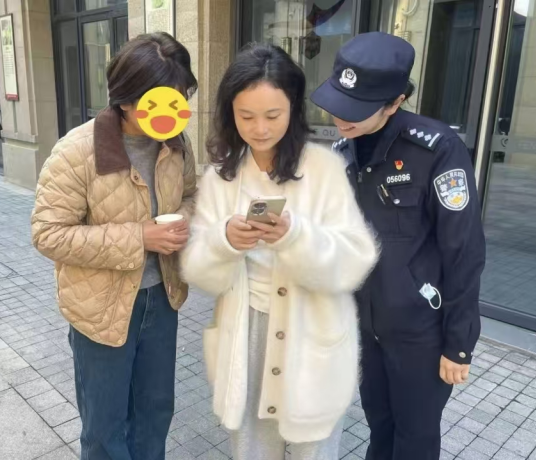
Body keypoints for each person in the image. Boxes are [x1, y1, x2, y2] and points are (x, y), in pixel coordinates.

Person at [181, 44, 378, 461]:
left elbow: (356, 259)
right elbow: (197, 269)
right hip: (247, 333)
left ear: (293, 109)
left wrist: (295, 236)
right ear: (229, 113)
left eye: (273, 115)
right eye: (246, 116)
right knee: (252, 449)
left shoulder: (323, 168)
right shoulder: (221, 177)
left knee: (313, 450)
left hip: (312, 331)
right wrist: (224, 240)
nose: (260, 129)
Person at [310, 32, 487, 460]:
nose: (339, 117)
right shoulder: (343, 149)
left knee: (415, 438)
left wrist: (458, 343)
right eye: (337, 101)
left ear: (395, 102)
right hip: (366, 327)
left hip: (420, 333)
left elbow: (464, 252)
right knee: (379, 426)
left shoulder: (437, 150)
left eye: (356, 108)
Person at [31, 32, 198, 461]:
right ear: (125, 99)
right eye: (159, 100)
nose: (171, 112)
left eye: (180, 98)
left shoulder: (176, 143)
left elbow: (192, 195)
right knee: (105, 429)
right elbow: (48, 233)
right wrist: (139, 237)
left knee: (154, 413)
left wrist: (184, 219)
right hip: (100, 309)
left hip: (162, 298)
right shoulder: (76, 151)